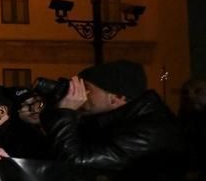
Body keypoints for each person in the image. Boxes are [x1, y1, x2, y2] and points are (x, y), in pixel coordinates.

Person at [44, 60, 181, 169]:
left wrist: (64, 114)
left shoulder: (149, 130)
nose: (80, 95)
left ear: (117, 98)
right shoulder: (106, 122)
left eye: (86, 88)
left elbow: (76, 163)